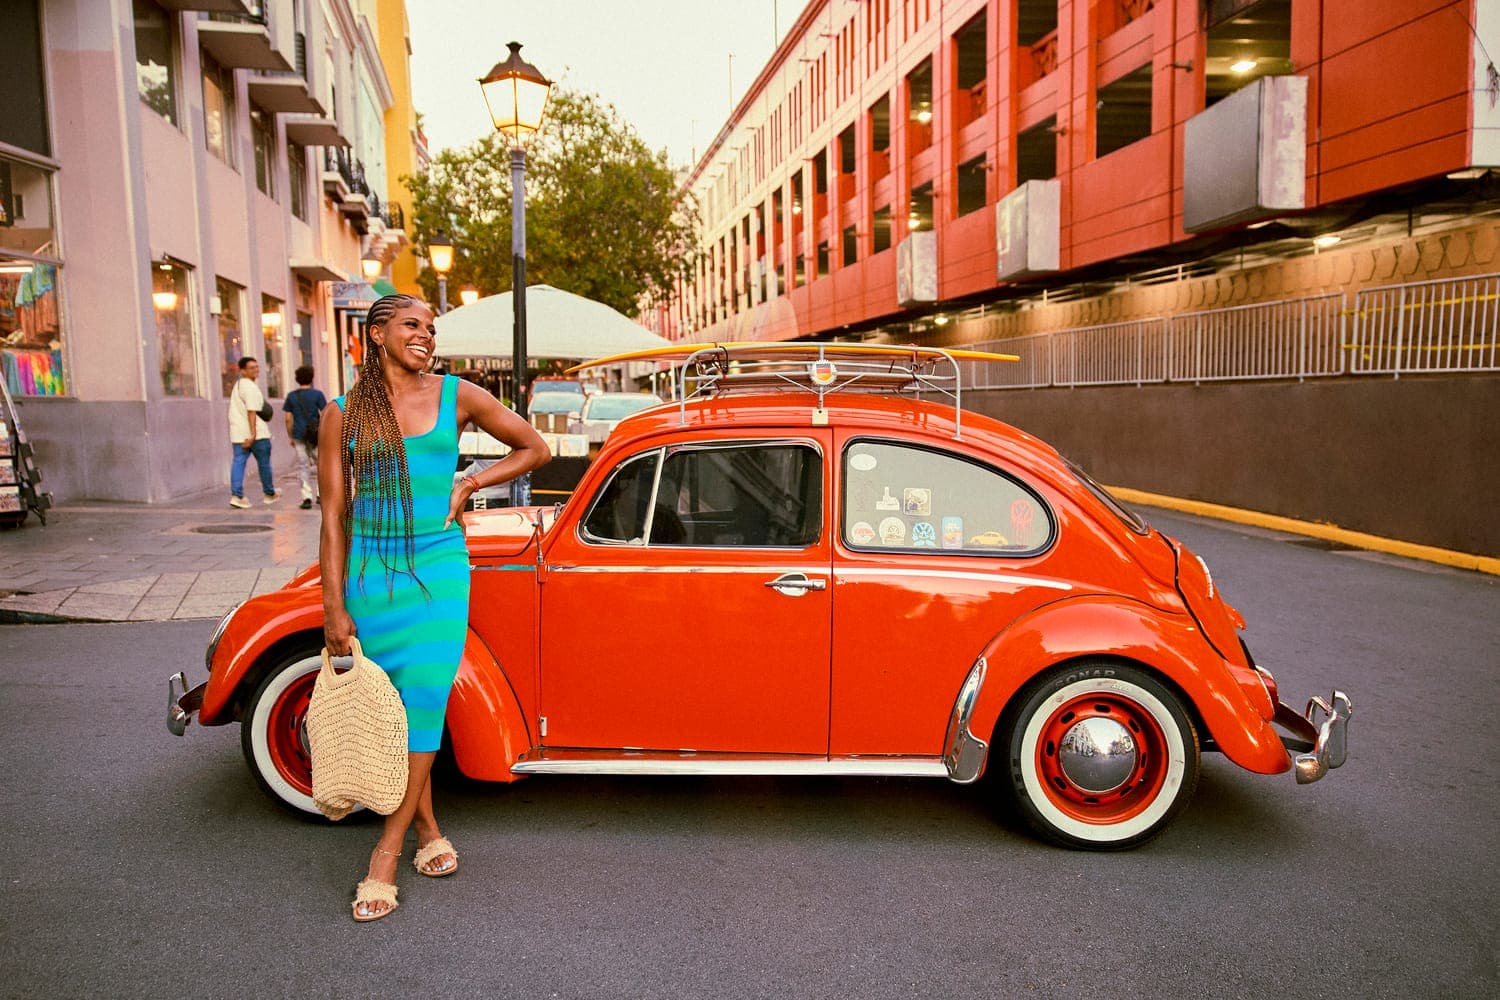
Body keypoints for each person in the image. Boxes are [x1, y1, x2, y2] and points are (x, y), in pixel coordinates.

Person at [318, 293, 549, 923]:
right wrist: (333, 605)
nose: (425, 335)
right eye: (411, 325)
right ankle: (427, 829)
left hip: (440, 570)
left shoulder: (458, 394)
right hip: (370, 572)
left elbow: (533, 448)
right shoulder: (342, 413)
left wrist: (469, 482)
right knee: (393, 706)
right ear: (377, 334)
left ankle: (385, 855)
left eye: (430, 328)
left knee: (424, 701)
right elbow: (333, 516)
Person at [228, 356, 278, 508]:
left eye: (257, 367)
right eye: (251, 368)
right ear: (242, 371)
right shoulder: (250, 387)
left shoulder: (238, 386)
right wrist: (253, 434)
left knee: (238, 462)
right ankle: (269, 493)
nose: (256, 370)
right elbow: (252, 411)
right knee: (264, 464)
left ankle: (236, 495)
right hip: (257, 435)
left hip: (238, 433)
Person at [282, 365, 327, 510]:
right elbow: (325, 414)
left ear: (297, 379)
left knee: (303, 466)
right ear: (311, 378)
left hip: (299, 435)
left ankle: (306, 497)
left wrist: (291, 436)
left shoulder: (291, 396)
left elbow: (288, 419)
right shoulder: (318, 394)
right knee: (321, 465)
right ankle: (320, 495)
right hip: (315, 436)